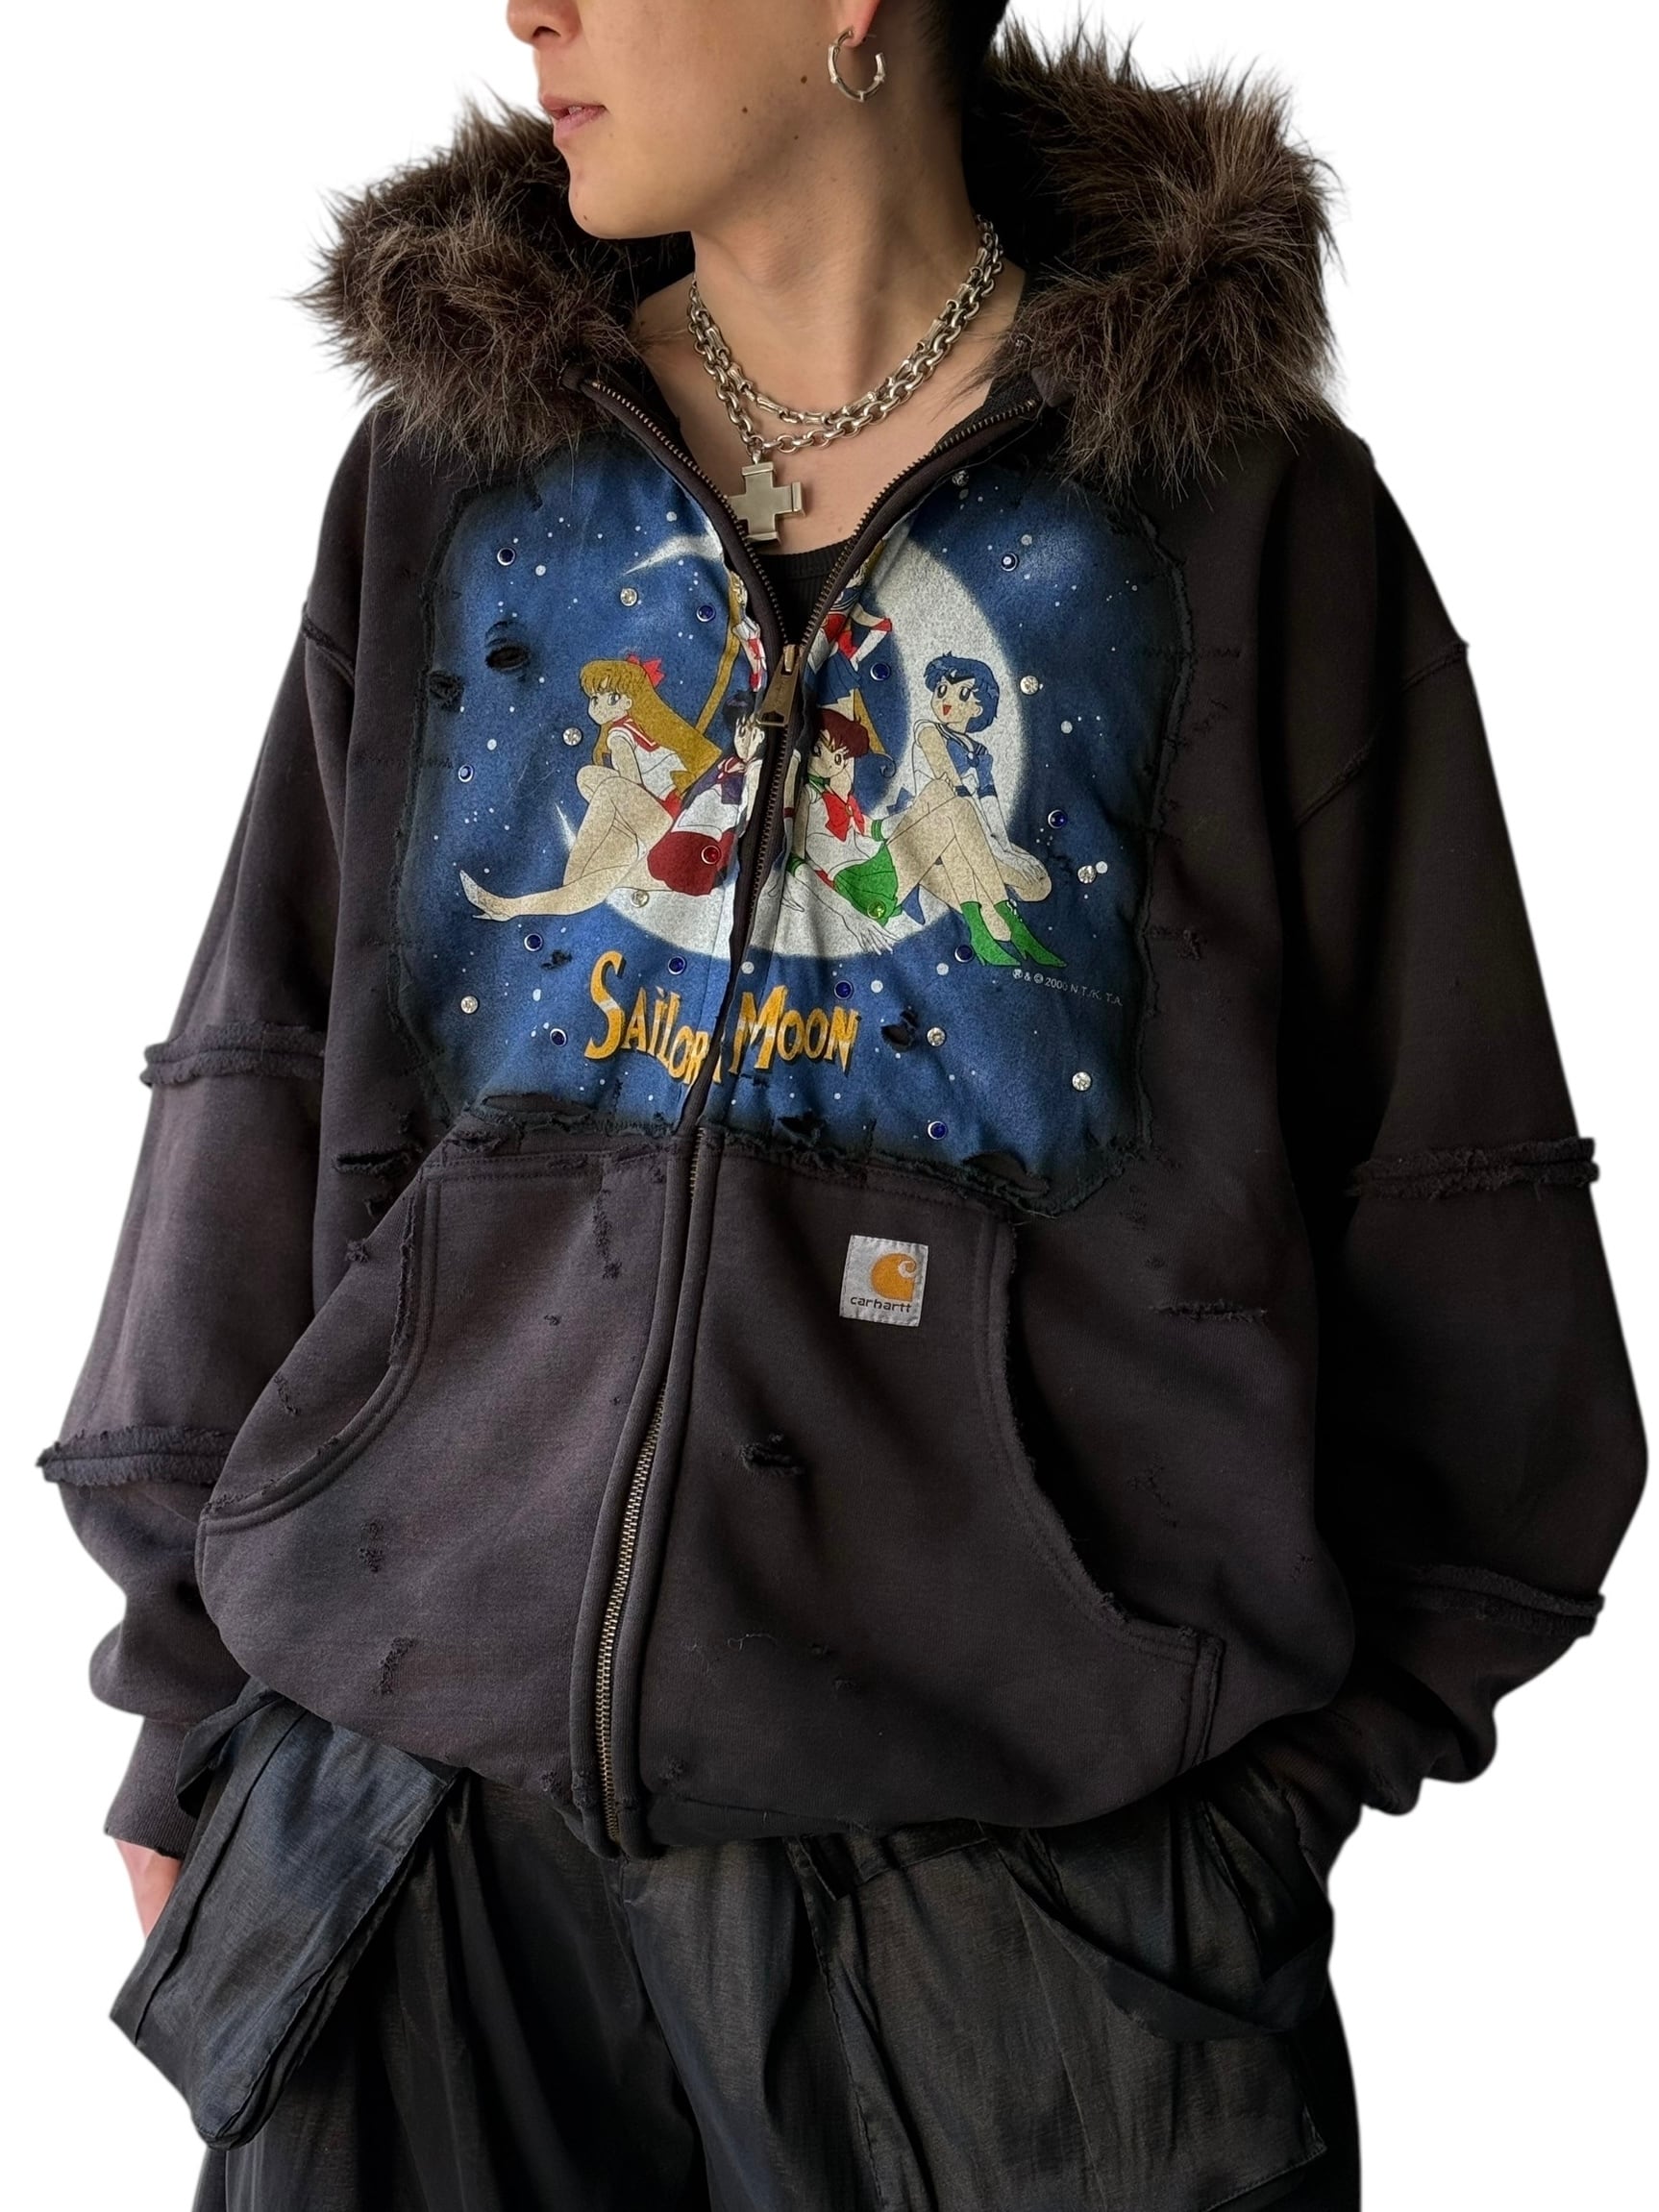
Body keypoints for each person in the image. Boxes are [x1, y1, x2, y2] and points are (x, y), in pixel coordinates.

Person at [37, 4, 1647, 2207]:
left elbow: (1461, 1218)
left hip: (1028, 1967)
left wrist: (1234, 1830)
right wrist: (190, 1708)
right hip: (414, 1877)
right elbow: (266, 1067)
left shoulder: (1236, 515)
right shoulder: (454, 475)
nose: (526, 10)